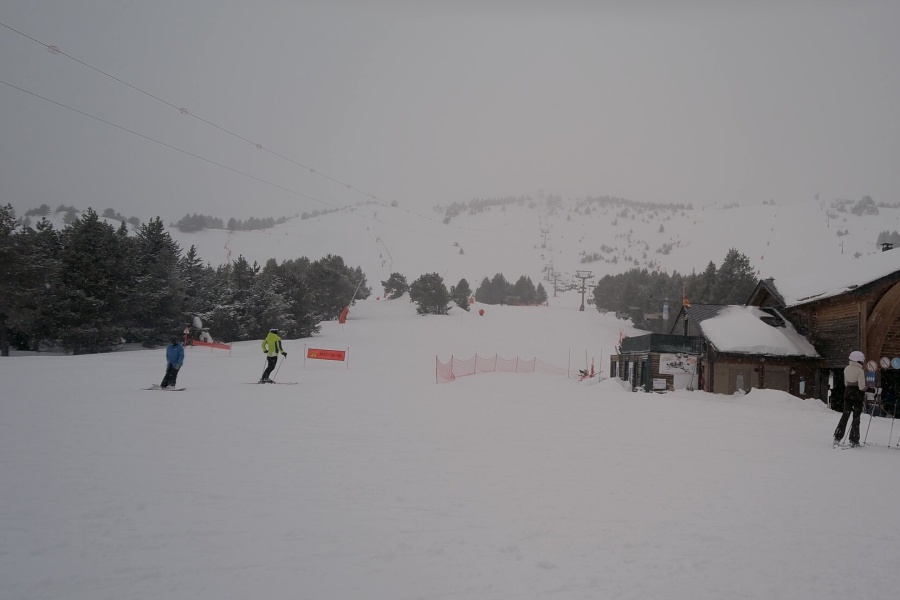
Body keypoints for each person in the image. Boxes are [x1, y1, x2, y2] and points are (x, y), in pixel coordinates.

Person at [834, 350, 867, 447]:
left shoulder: (846, 369)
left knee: (845, 415)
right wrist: (872, 389)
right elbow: (862, 387)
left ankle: (837, 437)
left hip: (848, 393)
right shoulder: (860, 371)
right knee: (856, 417)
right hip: (857, 395)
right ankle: (854, 439)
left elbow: (846, 383)